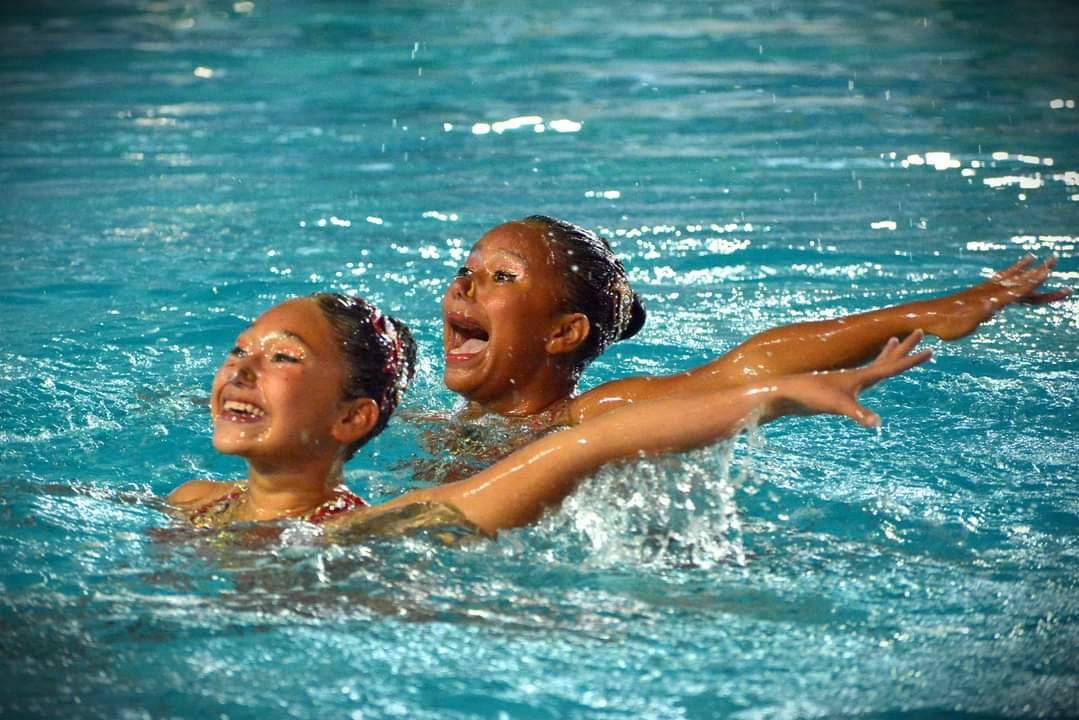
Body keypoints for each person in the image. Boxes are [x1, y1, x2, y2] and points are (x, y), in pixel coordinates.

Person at [168, 292, 931, 537]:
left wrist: (781, 396)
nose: (239, 366)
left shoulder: (379, 531)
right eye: (240, 350)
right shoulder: (192, 505)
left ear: (351, 420)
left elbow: (586, 446)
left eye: (283, 356)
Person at [441, 215, 1070, 430]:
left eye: (503, 276)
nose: (464, 284)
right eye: (467, 269)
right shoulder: (427, 422)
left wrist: (922, 314)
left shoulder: (584, 417)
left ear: (563, 334)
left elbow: (744, 366)